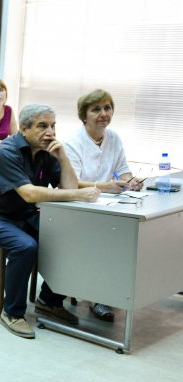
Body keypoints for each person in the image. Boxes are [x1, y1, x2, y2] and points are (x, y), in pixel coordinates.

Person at [0, 103, 101, 339]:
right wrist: (79, 194)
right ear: (24, 129)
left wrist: (62, 157)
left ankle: (49, 301)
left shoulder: (45, 152)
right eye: (42, 126)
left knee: (72, 239)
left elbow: (67, 186)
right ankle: (12, 313)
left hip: (22, 215)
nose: (49, 132)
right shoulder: (5, 152)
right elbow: (30, 193)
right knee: (25, 246)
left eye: (52, 126)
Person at [63, 89, 141, 322]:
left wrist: (131, 181)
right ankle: (98, 295)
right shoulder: (73, 142)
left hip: (109, 204)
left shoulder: (114, 138)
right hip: (77, 205)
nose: (103, 114)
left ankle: (111, 290)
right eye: (96, 109)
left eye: (107, 108)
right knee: (104, 238)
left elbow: (122, 168)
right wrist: (103, 186)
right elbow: (72, 181)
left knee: (127, 236)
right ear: (83, 115)